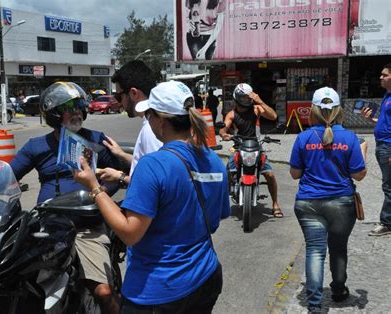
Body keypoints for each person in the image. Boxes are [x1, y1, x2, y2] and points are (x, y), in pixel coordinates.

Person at [74, 81, 230, 313]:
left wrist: (94, 187)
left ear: (161, 120)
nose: (147, 120)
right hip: (205, 277)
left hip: (158, 290)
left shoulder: (153, 165)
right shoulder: (215, 161)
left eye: (148, 114)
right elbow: (216, 219)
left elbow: (129, 233)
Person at [9, 82, 122, 314]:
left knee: (104, 292)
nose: (78, 111)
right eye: (70, 107)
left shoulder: (96, 140)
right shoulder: (36, 146)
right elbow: (8, 176)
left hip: (86, 226)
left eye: (80, 105)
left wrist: (98, 194)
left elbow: (117, 177)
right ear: (53, 113)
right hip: (46, 224)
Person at [289, 87, 367, 312]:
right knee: (338, 248)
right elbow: (359, 175)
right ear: (338, 110)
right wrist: (363, 152)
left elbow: (294, 174)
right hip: (342, 203)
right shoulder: (350, 138)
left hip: (308, 203)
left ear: (313, 111)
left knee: (314, 250)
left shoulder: (303, 137)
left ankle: (314, 304)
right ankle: (338, 290)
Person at [219, 83, 283, 217]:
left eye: (248, 98)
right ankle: (225, 198)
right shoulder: (231, 114)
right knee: (228, 171)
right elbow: (223, 129)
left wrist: (260, 101)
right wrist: (225, 134)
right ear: (237, 97)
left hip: (257, 147)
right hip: (239, 147)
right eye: (243, 98)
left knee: (270, 174)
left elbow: (273, 116)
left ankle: (275, 204)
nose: (246, 101)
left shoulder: (256, 109)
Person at [97, 60, 162, 186]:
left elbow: (155, 182)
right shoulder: (152, 123)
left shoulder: (152, 130)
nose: (119, 103)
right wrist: (122, 155)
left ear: (133, 93)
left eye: (119, 96)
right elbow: (146, 165)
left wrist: (120, 177)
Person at [361, 64, 391, 236]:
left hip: (388, 146)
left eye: (384, 75)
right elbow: (385, 121)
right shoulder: (387, 95)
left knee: (389, 186)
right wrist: (372, 119)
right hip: (382, 144)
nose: (380, 77)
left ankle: (386, 222)